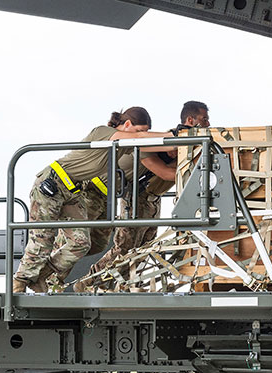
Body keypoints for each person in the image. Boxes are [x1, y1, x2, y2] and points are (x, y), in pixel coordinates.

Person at [13, 107, 176, 292]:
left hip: (73, 190)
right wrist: (172, 135)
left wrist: (177, 141)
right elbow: (141, 139)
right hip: (53, 183)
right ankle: (20, 284)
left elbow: (151, 145)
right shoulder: (103, 132)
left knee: (83, 243)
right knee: (42, 240)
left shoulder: (125, 145)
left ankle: (43, 276)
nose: (141, 135)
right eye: (140, 130)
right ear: (127, 124)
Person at [73, 101, 210, 292]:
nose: (208, 123)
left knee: (144, 250)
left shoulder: (187, 144)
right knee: (124, 249)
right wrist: (201, 171)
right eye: (204, 119)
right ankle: (88, 282)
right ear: (190, 120)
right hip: (136, 199)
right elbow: (166, 173)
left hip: (152, 200)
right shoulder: (148, 145)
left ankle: (122, 287)